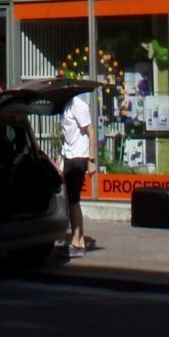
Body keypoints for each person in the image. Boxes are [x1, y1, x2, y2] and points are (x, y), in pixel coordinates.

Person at [59, 90, 97, 255]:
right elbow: (68, 137)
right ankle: (78, 240)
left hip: (78, 157)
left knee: (74, 199)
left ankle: (77, 242)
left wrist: (91, 160)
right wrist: (60, 158)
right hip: (69, 156)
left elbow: (91, 131)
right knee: (70, 200)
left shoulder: (77, 105)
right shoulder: (65, 107)